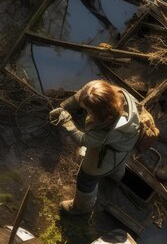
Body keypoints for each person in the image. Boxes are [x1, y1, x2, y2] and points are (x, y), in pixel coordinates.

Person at [49, 80, 140, 215]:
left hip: (108, 155)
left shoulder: (109, 130)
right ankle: (114, 177)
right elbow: (82, 95)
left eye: (88, 110)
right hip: (125, 147)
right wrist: (64, 106)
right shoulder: (114, 94)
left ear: (100, 112)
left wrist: (67, 122)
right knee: (118, 166)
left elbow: (84, 140)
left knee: (86, 179)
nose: (87, 111)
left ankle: (81, 208)